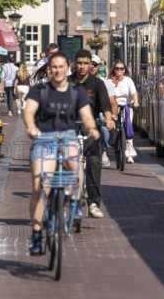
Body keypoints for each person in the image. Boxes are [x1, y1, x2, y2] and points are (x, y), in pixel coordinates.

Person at [24, 52, 100, 255]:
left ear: (68, 68)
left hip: (67, 136)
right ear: (49, 69)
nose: (57, 70)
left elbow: (86, 115)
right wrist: (31, 126)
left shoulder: (77, 91)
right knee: (40, 187)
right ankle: (37, 233)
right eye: (53, 67)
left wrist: (92, 128)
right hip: (44, 138)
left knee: (77, 165)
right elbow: (29, 111)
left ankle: (75, 202)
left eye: (61, 67)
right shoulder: (39, 90)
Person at [70, 50, 114, 218]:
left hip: (90, 129)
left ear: (90, 65)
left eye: (86, 63)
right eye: (79, 63)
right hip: (69, 127)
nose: (82, 66)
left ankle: (93, 202)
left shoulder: (97, 84)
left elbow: (105, 105)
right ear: (75, 64)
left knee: (94, 162)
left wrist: (108, 119)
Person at [90, 54, 118, 167]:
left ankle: (104, 151)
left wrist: (113, 117)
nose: (91, 66)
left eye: (94, 64)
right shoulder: (77, 81)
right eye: (89, 63)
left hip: (100, 113)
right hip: (82, 113)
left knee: (104, 126)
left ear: (99, 67)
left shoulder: (106, 83)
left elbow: (113, 103)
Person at [109, 60, 139, 163]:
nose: (119, 70)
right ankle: (115, 144)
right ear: (114, 69)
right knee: (114, 128)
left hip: (126, 107)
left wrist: (135, 102)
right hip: (114, 108)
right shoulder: (109, 81)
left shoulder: (128, 80)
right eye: (117, 68)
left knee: (128, 129)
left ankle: (129, 154)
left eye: (121, 68)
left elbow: (134, 92)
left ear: (124, 70)